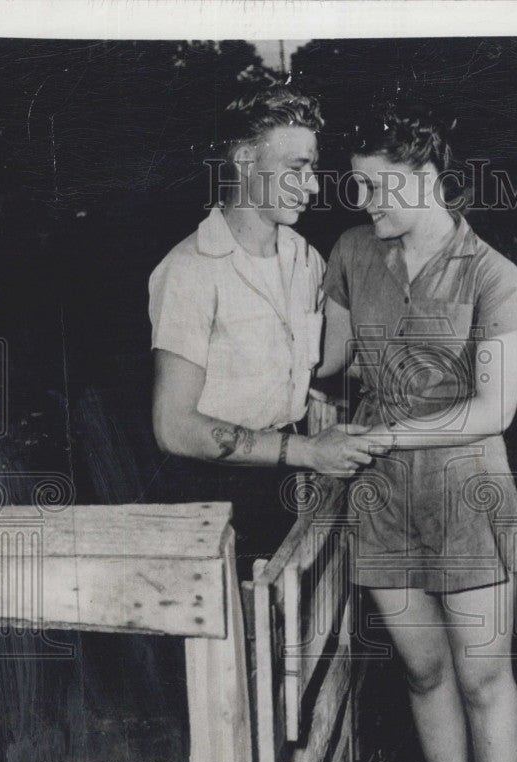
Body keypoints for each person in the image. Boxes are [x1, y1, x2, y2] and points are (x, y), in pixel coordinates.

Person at [317, 102, 517, 762]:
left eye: (378, 186)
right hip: (381, 498)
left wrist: (384, 431)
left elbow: (495, 409)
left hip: (465, 495)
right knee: (421, 673)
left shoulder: (491, 275)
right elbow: (331, 362)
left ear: (425, 180)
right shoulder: (350, 253)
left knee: (485, 679)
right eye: (357, 183)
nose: (362, 199)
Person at [150, 84, 386, 573]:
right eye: (296, 168)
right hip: (209, 503)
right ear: (244, 161)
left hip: (281, 484)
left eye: (313, 168)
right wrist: (309, 451)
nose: (314, 185)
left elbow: (319, 362)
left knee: (290, 638)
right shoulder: (192, 269)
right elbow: (173, 427)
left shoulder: (305, 259)